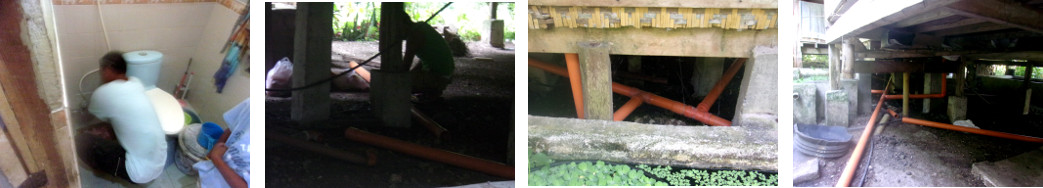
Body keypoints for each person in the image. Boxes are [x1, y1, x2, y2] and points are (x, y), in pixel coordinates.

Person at [76, 51, 167, 184]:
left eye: (102, 70)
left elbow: (86, 119)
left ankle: (105, 166)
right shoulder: (137, 82)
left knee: (80, 141)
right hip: (160, 159)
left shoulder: (103, 93)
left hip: (139, 173)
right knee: (116, 123)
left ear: (107, 70)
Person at [194, 98, 250, 188]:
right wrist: (211, 154)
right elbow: (233, 128)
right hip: (211, 174)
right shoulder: (250, 104)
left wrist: (216, 158)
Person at [400, 14, 456, 102]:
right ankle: (431, 91)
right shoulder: (421, 26)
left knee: (398, 85)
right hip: (447, 74)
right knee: (408, 78)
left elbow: (405, 68)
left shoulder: (414, 35)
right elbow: (425, 59)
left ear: (401, 25)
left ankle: (431, 89)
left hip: (439, 77)